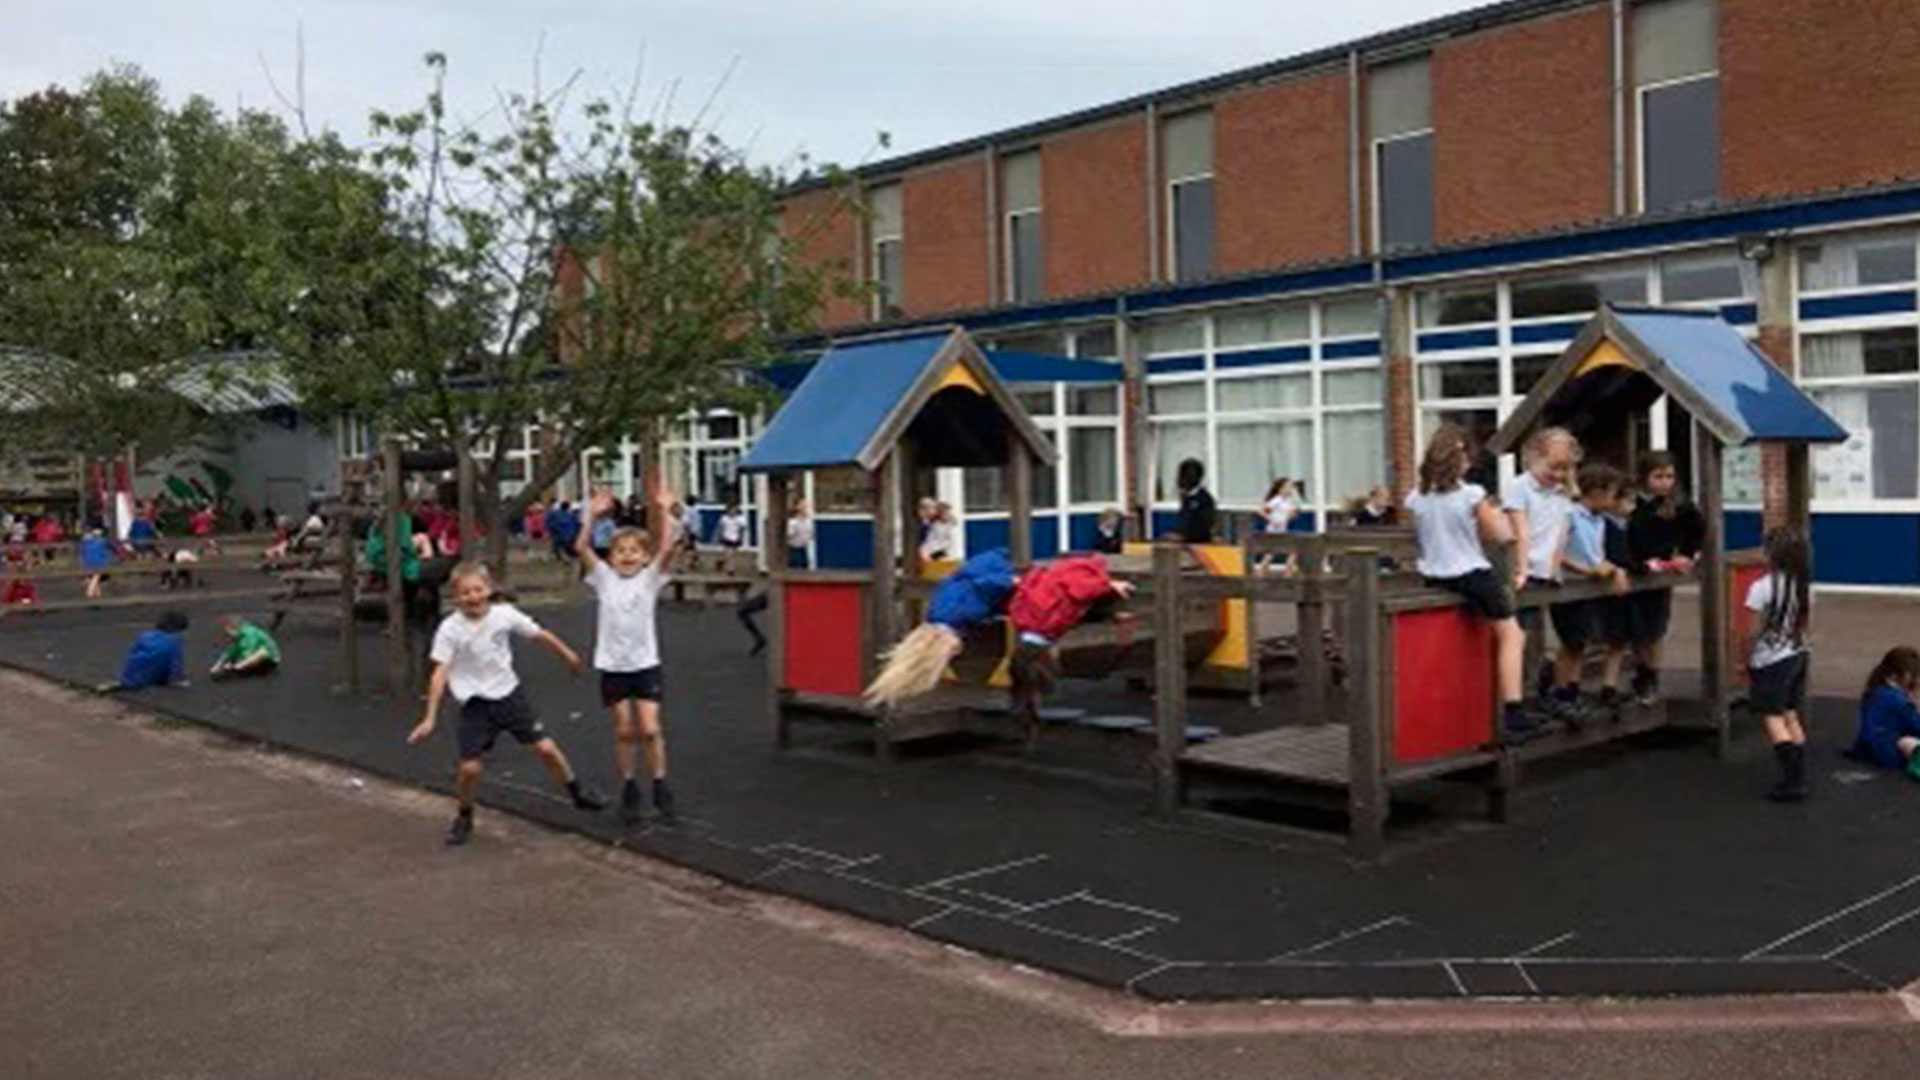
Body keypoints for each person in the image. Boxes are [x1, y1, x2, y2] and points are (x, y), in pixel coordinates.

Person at [408, 562, 607, 846]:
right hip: (475, 704)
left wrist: (568, 655)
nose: (473, 597)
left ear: (489, 590)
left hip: (508, 695)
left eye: (478, 590)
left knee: (546, 747)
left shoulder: (504, 616)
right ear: (455, 598)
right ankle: (464, 814)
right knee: (469, 769)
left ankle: (577, 792)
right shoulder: (450, 629)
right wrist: (430, 717)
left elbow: (539, 634)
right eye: (465, 593)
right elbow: (440, 672)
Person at [1405, 423, 1536, 745]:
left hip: (1434, 574)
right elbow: (1501, 535)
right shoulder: (1471, 494)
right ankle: (1514, 711)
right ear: (1461, 460)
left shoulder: (1415, 498)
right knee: (1512, 635)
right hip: (1471, 573)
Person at [578, 482, 680, 826]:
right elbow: (580, 547)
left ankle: (660, 784)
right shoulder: (604, 579)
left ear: (644, 556)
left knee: (650, 729)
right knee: (624, 730)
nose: (626, 556)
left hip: (644, 664)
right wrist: (590, 517)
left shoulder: (650, 579)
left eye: (634, 551)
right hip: (613, 665)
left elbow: (667, 548)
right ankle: (629, 786)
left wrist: (665, 511)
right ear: (611, 556)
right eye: (620, 550)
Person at [1503, 426, 1579, 717]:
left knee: (1546, 633)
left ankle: (1542, 688)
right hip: (1524, 568)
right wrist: (1521, 569)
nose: (1558, 475)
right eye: (1553, 467)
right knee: (1517, 637)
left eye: (1565, 469)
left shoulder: (1562, 492)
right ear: (1534, 457)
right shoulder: (1520, 487)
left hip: (1546, 570)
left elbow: (1560, 531)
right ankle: (1514, 701)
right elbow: (1520, 530)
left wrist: (1555, 565)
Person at [1548, 464, 1632, 726]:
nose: (1613, 499)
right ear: (1595, 491)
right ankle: (1561, 692)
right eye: (1610, 493)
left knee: (1581, 642)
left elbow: (1597, 554)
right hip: (1570, 583)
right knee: (1571, 641)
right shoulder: (1570, 515)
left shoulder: (1600, 521)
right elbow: (1557, 552)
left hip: (1589, 586)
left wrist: (1610, 569)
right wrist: (1586, 568)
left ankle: (1572, 688)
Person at [1626, 451, 1704, 705]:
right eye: (1658, 476)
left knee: (1656, 629)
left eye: (1669, 476)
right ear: (1644, 478)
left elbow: (1696, 531)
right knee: (1635, 630)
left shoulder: (1680, 505)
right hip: (1635, 568)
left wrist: (1686, 555)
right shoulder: (1634, 504)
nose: (1664, 482)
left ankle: (1651, 677)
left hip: (1661, 572)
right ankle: (1641, 673)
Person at [1746, 526, 1813, 802]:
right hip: (1798, 653)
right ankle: (1799, 772)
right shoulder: (1803, 586)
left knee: (1772, 716)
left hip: (1770, 658)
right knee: (1790, 713)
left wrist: (1743, 657)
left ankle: (1791, 780)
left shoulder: (1761, 587)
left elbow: (1750, 631)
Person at [1851, 647, 1920, 777]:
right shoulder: (1897, 700)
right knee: (1909, 742)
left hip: (1868, 747)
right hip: (1889, 752)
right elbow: (1916, 724)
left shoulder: (1875, 691)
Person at [104, 611, 191, 691]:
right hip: (150, 676)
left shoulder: (144, 634)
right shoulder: (174, 641)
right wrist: (176, 678)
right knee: (163, 660)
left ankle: (130, 679)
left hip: (131, 674)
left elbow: (132, 652)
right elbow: (175, 663)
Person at [210, 614, 281, 680]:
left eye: (228, 634)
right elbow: (229, 653)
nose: (227, 638)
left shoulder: (249, 634)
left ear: (234, 628)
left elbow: (248, 653)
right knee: (233, 656)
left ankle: (237, 669)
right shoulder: (238, 638)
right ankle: (237, 669)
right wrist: (217, 666)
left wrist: (235, 665)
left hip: (270, 660)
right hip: (255, 662)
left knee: (262, 652)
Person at [1173, 458, 1215, 543]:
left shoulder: (1204, 499)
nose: (1180, 480)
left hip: (1200, 548)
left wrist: (1184, 537)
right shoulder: (1186, 498)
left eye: (1186, 476)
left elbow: (1205, 526)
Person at [79, 527, 114, 599]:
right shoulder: (102, 542)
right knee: (96, 577)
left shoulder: (85, 543)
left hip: (87, 563)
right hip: (98, 563)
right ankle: (90, 593)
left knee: (94, 578)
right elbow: (105, 553)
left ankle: (97, 594)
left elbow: (82, 553)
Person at [785, 498, 813, 570]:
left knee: (804, 567)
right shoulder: (793, 522)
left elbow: (810, 534)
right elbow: (789, 534)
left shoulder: (807, 521)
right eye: (803, 506)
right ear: (797, 507)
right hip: (794, 549)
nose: (805, 508)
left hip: (803, 548)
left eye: (806, 506)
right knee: (795, 568)